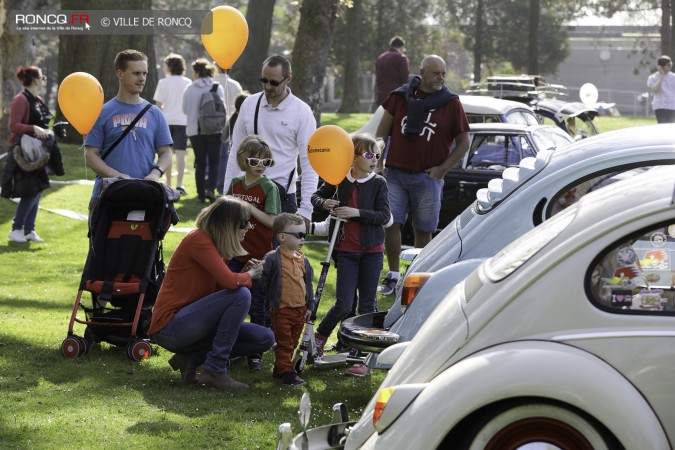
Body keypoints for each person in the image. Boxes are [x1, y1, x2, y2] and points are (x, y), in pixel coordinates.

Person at [149, 196, 275, 389]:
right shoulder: (199, 240)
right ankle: (215, 370)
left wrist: (241, 275)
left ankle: (190, 359)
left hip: (191, 324)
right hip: (170, 327)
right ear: (227, 223)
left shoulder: (215, 244)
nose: (249, 227)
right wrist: (248, 275)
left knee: (265, 338)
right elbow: (232, 286)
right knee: (242, 295)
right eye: (244, 223)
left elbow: (223, 289)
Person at [375, 55, 470, 295]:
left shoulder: (451, 103)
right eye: (436, 73)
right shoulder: (400, 97)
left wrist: (442, 169)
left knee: (423, 229)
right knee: (391, 223)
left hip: (428, 178)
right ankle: (393, 274)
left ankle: (415, 279)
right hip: (395, 174)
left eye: (444, 74)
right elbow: (380, 135)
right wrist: (378, 164)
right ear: (423, 73)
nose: (441, 78)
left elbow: (463, 143)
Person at [311, 134, 392, 377]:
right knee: (343, 304)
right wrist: (325, 203)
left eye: (377, 155)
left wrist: (356, 212)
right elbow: (316, 197)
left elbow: (384, 216)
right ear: (353, 157)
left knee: (367, 306)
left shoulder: (379, 183)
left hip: (372, 252)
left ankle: (361, 356)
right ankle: (319, 338)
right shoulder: (338, 180)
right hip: (346, 251)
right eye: (369, 155)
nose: (374, 159)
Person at [223, 55, 318, 225]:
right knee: (240, 250)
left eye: (274, 82)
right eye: (263, 80)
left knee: (278, 251)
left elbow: (310, 163)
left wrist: (306, 209)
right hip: (246, 191)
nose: (268, 86)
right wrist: (226, 195)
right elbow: (235, 153)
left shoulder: (302, 112)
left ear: (288, 79)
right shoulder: (249, 104)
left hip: (282, 194)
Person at [84, 49, 172, 206]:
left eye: (144, 73)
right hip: (107, 195)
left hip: (145, 194)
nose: (142, 78)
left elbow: (166, 152)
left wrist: (155, 173)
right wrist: (116, 176)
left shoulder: (155, 113)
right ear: (120, 74)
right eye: (136, 73)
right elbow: (90, 155)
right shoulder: (101, 112)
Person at [226, 135, 281, 370]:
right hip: (233, 254)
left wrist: (250, 209)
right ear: (243, 160)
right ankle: (231, 344)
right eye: (255, 161)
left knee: (258, 304)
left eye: (265, 162)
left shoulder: (269, 188)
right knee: (229, 300)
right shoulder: (236, 184)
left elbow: (273, 222)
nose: (260, 166)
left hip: (258, 256)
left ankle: (256, 352)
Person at [2, 65, 64, 243]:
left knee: (38, 189)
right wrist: (33, 128)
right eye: (42, 77)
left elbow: (42, 125)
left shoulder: (37, 99)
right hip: (23, 154)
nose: (43, 80)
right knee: (31, 191)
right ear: (35, 79)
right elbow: (13, 126)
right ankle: (16, 229)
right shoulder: (20, 100)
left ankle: (29, 230)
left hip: (38, 153)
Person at [261, 213, 314, 386]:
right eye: (299, 235)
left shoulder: (303, 259)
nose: (302, 238)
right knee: (284, 343)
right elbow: (264, 282)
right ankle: (286, 372)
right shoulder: (272, 259)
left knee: (292, 342)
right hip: (282, 310)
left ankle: (280, 368)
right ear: (282, 237)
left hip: (300, 310)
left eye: (304, 234)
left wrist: (309, 306)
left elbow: (308, 285)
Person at [183, 58, 225, 203]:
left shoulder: (190, 88)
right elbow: (222, 108)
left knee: (200, 163)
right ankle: (211, 190)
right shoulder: (217, 87)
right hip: (214, 130)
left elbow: (184, 109)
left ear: (195, 72)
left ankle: (200, 195)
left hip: (195, 130)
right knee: (214, 162)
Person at [153, 53, 192, 195]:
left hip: (166, 121)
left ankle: (168, 184)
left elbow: (158, 105)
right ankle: (180, 185)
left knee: (166, 153)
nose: (163, 68)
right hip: (183, 121)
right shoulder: (188, 82)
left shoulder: (163, 82)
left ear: (169, 66)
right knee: (181, 154)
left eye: (165, 65)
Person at [213, 65, 243, 195]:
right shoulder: (236, 85)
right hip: (234, 120)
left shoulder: (213, 83)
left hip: (217, 123)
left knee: (218, 157)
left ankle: (218, 184)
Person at [372, 36, 409, 112]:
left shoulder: (380, 58)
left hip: (380, 97)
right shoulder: (401, 57)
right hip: (395, 98)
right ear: (401, 47)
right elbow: (405, 78)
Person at [647, 55, 675, 123]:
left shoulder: (673, 77)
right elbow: (655, 89)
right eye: (668, 65)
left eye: (671, 64)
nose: (671, 66)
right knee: (663, 128)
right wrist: (662, 76)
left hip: (672, 106)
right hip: (660, 106)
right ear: (661, 66)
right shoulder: (652, 78)